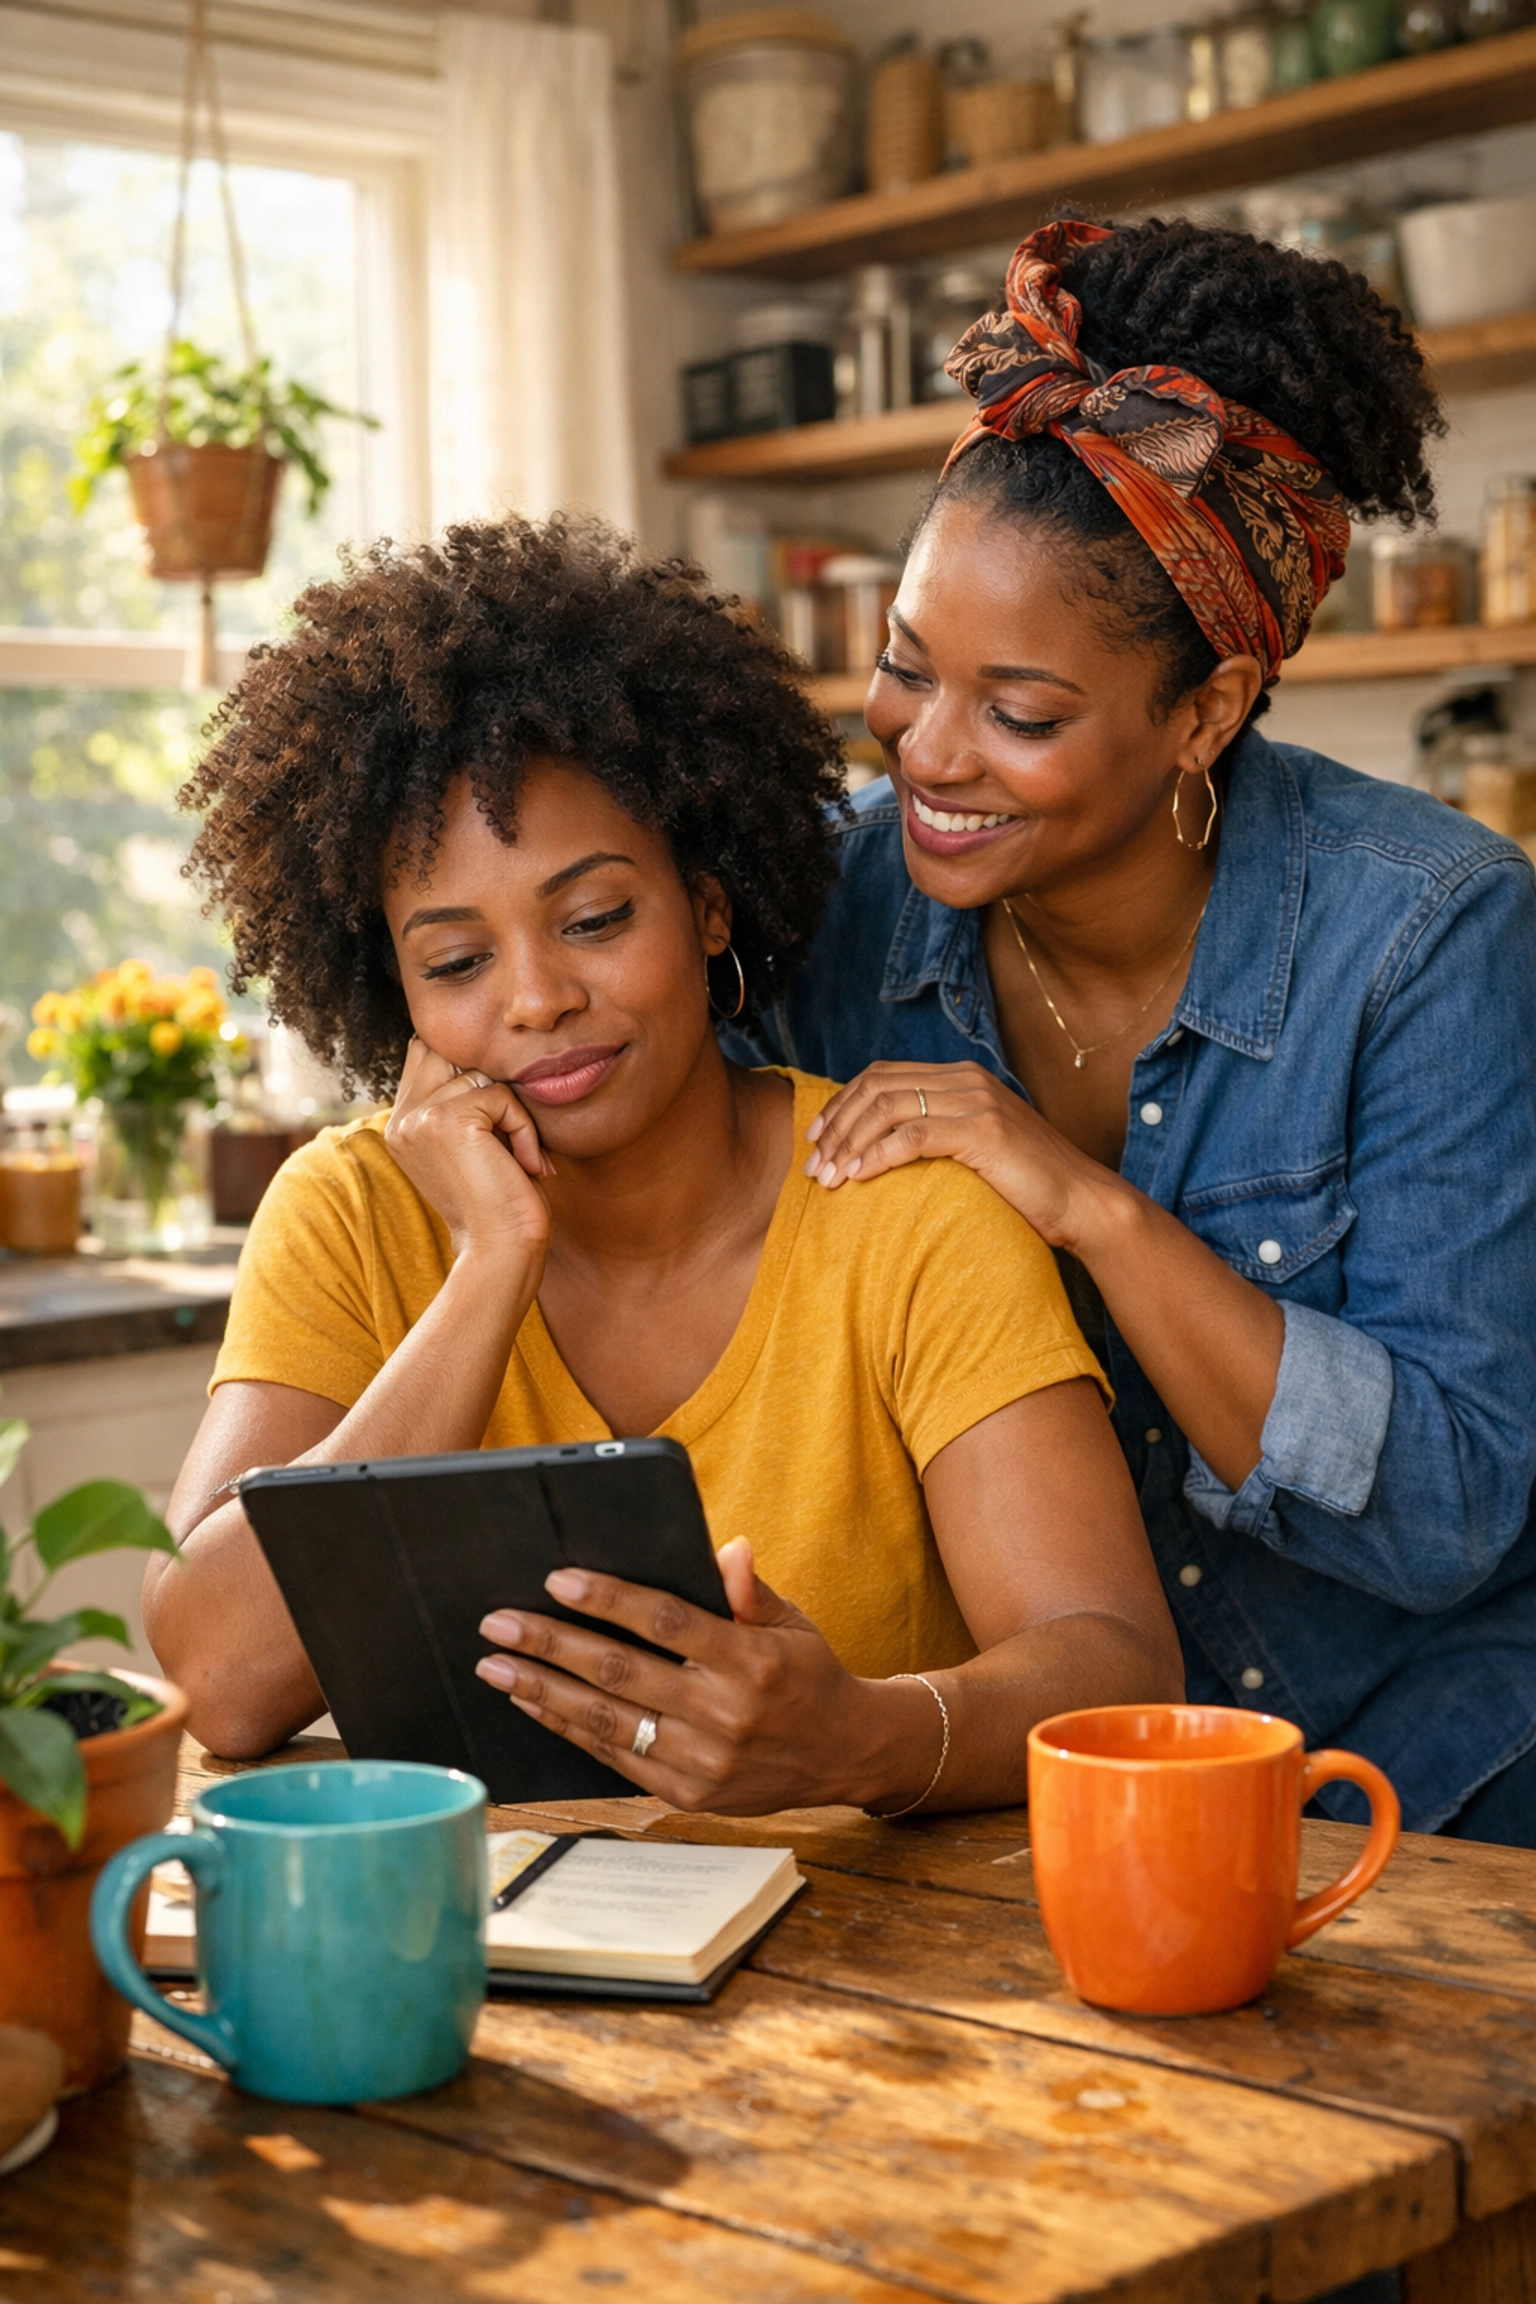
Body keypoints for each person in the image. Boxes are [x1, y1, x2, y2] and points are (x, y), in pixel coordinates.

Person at [144, 514, 1181, 1815]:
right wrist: (489, 1268)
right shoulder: (349, 1217)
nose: (534, 1000)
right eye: (457, 962)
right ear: (392, 984)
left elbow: (1116, 1667)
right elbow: (216, 1674)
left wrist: (856, 1739)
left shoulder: (902, 1204)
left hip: (887, 1967)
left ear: (704, 901)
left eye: (593, 919)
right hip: (483, 1967)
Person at [727, 215, 1536, 1846]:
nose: (927, 756)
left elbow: (1452, 1505)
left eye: (1019, 714)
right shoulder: (831, 903)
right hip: (1033, 1795)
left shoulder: (1430, 932)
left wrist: (1086, 1208)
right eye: (902, 669)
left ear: (1207, 713)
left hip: (1436, 1779)